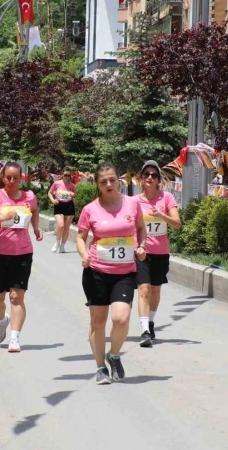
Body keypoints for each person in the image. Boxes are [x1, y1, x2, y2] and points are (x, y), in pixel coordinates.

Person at [76, 162, 147, 384]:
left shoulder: (132, 205)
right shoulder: (90, 209)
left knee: (121, 318)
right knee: (98, 321)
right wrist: (84, 254)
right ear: (97, 184)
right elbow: (80, 237)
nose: (108, 184)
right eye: (103, 181)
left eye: (112, 180)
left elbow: (141, 228)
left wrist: (142, 246)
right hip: (96, 271)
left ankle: (114, 355)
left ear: (119, 181)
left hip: (124, 272)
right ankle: (100, 368)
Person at [0, 162, 43, 352]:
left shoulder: (28, 197)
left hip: (22, 253)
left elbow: (34, 210)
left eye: (16, 178)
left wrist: (36, 227)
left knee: (17, 297)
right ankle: (2, 320)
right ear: (3, 177)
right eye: (8, 177)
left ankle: (15, 338)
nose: (11, 181)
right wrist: (4, 217)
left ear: (21, 178)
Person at [134, 161, 181, 347]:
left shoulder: (167, 198)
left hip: (161, 252)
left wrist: (162, 216)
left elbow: (177, 224)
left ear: (158, 180)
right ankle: (145, 329)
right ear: (141, 178)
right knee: (144, 289)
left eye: (154, 175)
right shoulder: (134, 201)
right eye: (146, 174)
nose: (150, 178)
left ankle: (151, 321)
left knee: (155, 290)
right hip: (142, 253)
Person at [48, 168, 76, 253]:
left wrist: (73, 195)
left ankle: (62, 246)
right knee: (60, 225)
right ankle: (57, 243)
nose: (67, 177)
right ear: (62, 175)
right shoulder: (56, 184)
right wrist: (53, 200)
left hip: (69, 206)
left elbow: (74, 196)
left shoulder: (72, 185)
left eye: (69, 175)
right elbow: (49, 192)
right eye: (65, 175)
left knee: (66, 227)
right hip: (59, 205)